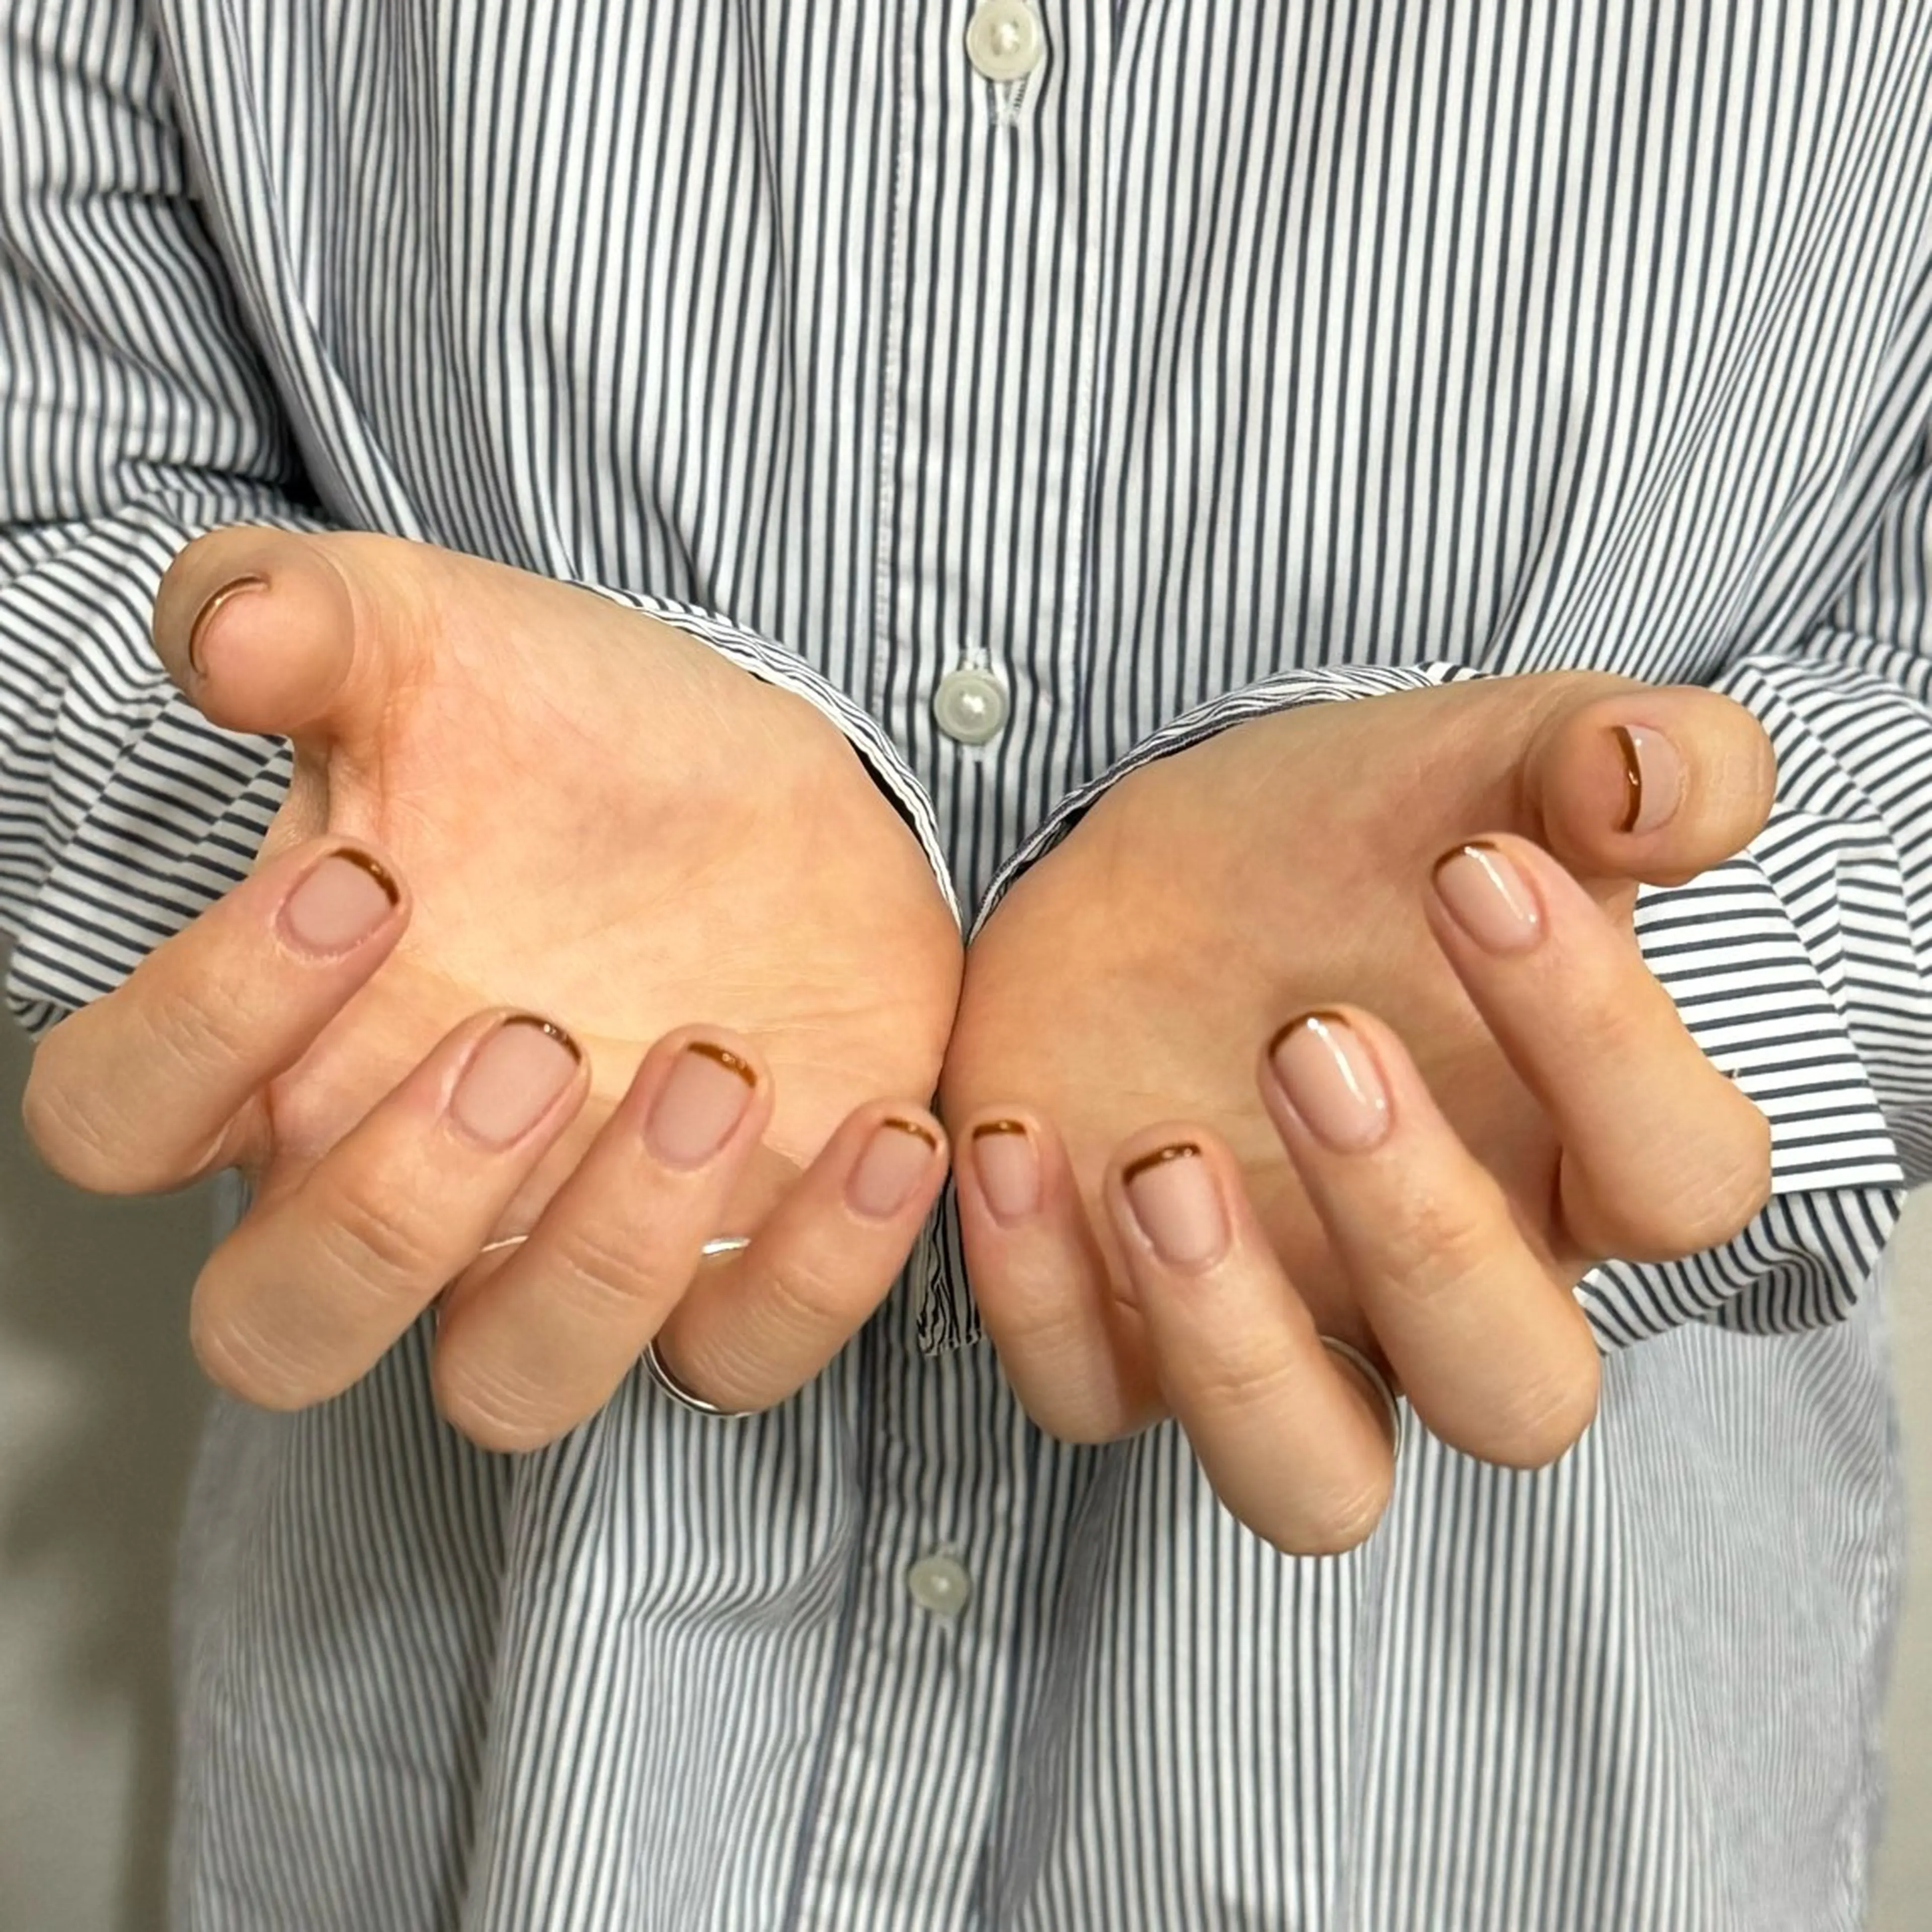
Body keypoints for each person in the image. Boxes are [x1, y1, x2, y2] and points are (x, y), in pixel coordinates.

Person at [3, 2, 1925, 1925]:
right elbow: (60, 492)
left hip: (1519, 1768)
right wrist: (315, 856)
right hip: (469, 1733)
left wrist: (1615, 986)